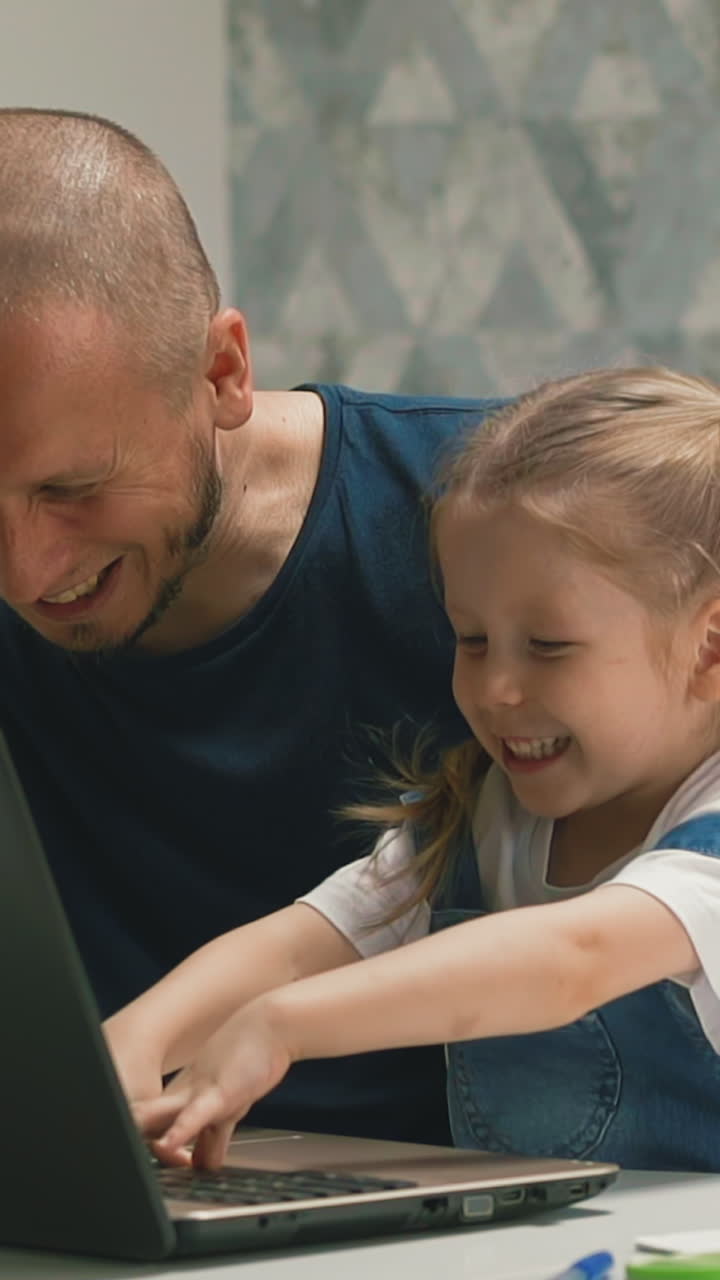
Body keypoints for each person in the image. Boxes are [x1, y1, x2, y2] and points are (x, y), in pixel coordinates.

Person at [0, 106, 509, 1144]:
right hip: (104, 1198)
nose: (25, 569)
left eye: (76, 487)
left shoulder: (514, 530)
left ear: (224, 373)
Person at [107, 366, 720, 1173]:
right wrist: (125, 1052)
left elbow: (574, 961)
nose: (496, 689)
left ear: (710, 646)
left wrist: (280, 1025)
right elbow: (295, 946)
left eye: (549, 647)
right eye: (471, 640)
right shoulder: (480, 821)